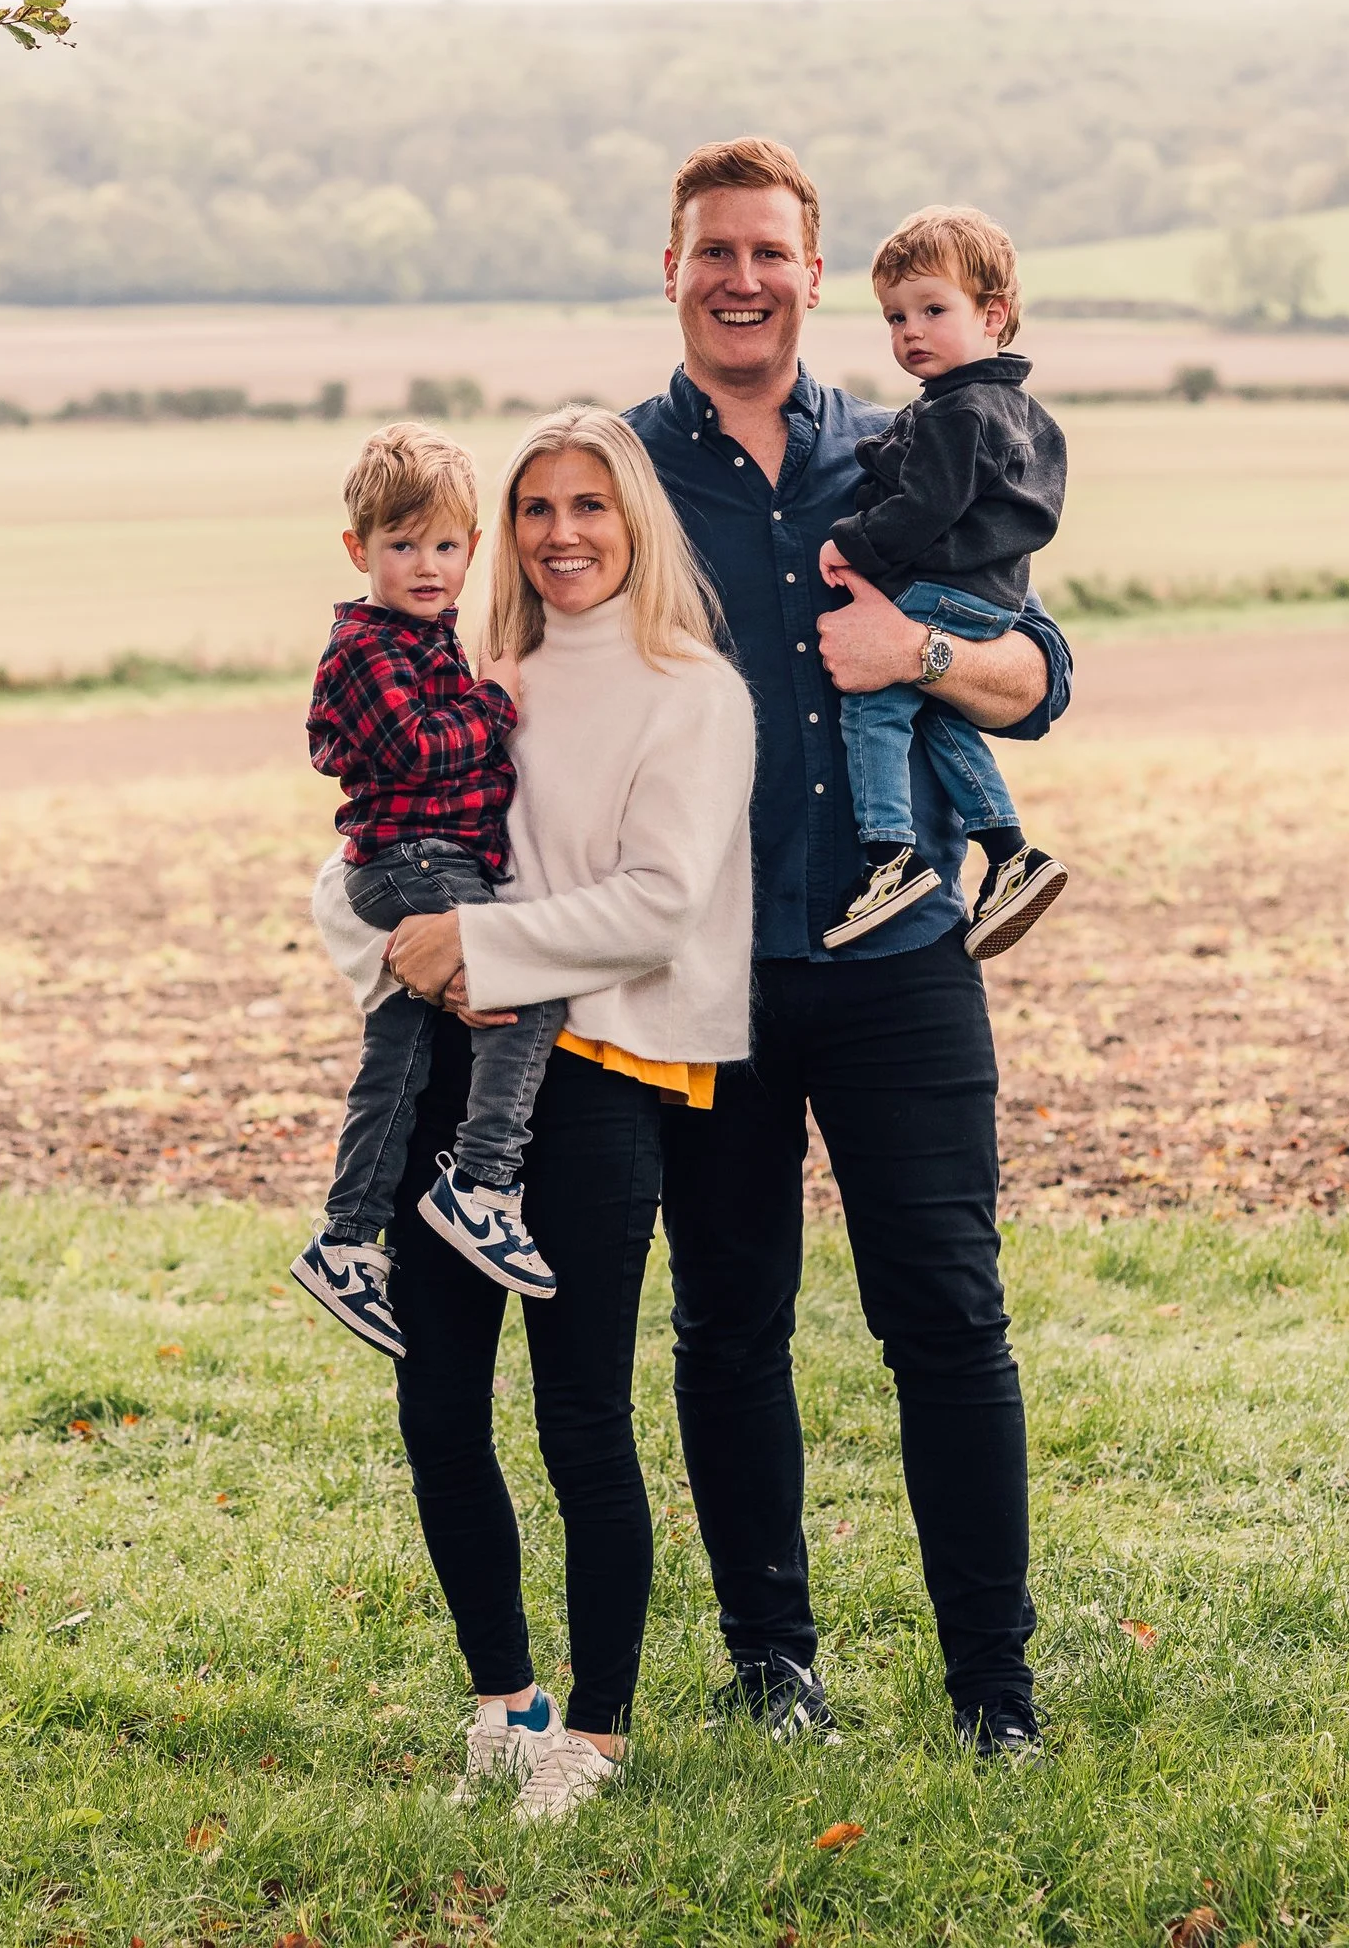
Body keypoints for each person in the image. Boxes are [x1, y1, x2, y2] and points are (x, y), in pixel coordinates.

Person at [625, 138, 1073, 1760]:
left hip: (902, 967)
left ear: (814, 278)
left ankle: (995, 1698)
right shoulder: (614, 475)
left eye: (769, 252)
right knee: (729, 1323)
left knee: (948, 1317)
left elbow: (1040, 676)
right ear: (667, 269)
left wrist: (921, 648)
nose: (741, 278)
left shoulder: (914, 449)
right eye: (711, 251)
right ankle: (774, 1672)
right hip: (705, 977)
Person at [315, 406, 756, 1819]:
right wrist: (389, 950)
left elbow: (661, 903)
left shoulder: (690, 689)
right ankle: (506, 1708)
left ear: (636, 520)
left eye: (592, 506)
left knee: (580, 1422)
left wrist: (475, 950)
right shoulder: (474, 671)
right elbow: (370, 863)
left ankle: (600, 1736)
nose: (562, 533)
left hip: (596, 1090)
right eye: (537, 509)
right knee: (440, 1409)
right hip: (450, 1064)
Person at [294, 423, 566, 1355]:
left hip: (428, 858)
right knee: (529, 976)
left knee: (398, 1055)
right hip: (411, 859)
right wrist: (496, 703)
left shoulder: (431, 639)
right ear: (358, 548)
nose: (426, 565)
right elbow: (419, 747)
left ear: (473, 550)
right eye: (401, 544)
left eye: (445, 546)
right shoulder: (368, 648)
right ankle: (483, 1182)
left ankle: (345, 1238)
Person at [818, 205, 1070, 958]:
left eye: (933, 309)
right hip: (992, 598)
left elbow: (925, 508)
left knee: (872, 708)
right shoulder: (1017, 411)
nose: (910, 333)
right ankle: (1012, 852)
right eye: (895, 317)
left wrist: (851, 545)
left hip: (944, 589)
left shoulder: (956, 414)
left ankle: (889, 859)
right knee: (941, 719)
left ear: (994, 315)